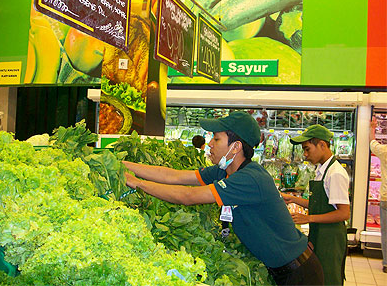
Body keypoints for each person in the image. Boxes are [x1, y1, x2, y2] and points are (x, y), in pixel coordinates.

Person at [124, 111, 324, 286]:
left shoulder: (250, 178)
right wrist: (125, 165)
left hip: (299, 274)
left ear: (235, 147)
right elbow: (174, 176)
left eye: (216, 139)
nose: (209, 143)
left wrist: (137, 183)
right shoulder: (223, 171)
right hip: (281, 269)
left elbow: (187, 195)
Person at [282, 124, 350, 285]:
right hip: (321, 233)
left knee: (329, 278)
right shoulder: (322, 171)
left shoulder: (335, 174)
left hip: (331, 238)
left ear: (322, 145)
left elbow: (343, 213)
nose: (305, 155)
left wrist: (308, 218)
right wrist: (292, 199)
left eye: (307, 149)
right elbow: (322, 205)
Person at [370, 116, 387, 273]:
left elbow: (372, 144)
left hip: (386, 198)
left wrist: (372, 128)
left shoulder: (384, 150)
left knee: (386, 232)